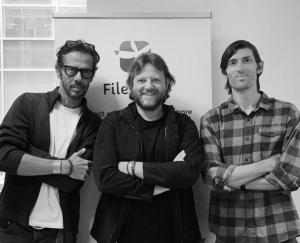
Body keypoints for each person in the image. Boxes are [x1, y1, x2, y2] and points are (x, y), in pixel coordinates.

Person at [91, 52, 204, 243]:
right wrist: (156, 186)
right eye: (142, 80)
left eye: (156, 80)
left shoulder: (184, 124)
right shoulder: (113, 123)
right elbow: (105, 178)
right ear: (131, 85)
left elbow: (189, 173)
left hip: (175, 234)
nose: (149, 86)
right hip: (118, 234)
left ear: (167, 84)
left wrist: (131, 168)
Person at [0, 39, 101, 243]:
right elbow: (4, 156)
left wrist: (26, 156)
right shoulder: (28, 104)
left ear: (92, 75)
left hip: (59, 234)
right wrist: (64, 166)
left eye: (86, 72)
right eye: (71, 70)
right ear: (58, 70)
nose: (78, 78)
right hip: (13, 229)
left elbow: (73, 181)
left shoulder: (94, 125)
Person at [200, 39, 300, 243]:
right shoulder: (211, 119)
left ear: (259, 66)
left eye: (247, 60)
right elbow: (212, 177)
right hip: (230, 231)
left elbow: (290, 176)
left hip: (277, 230)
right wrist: (268, 164)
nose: (240, 67)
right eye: (233, 62)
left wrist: (236, 180)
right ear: (225, 71)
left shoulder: (287, 113)